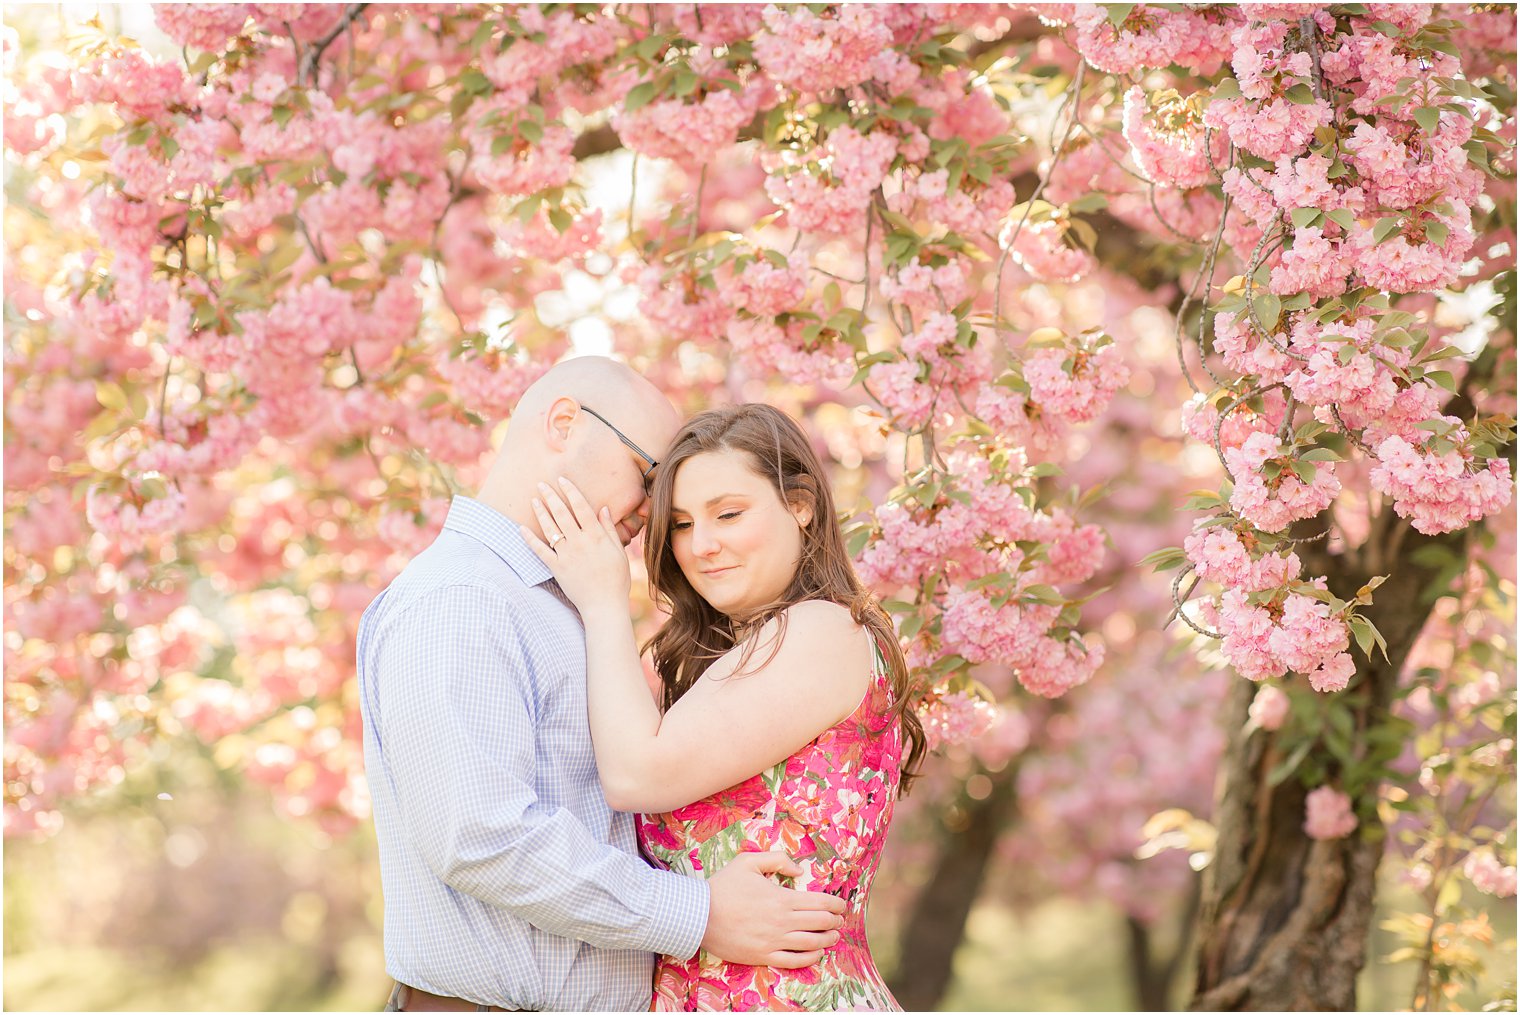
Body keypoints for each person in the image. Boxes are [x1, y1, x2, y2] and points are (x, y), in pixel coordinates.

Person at [357, 359, 847, 1013]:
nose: (652, 513)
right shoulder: (464, 597)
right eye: (649, 476)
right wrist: (697, 913)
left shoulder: (559, 604)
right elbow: (480, 836)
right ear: (565, 423)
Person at [524, 402, 926, 1012]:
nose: (702, 546)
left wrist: (604, 598)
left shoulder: (819, 631)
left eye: (729, 514)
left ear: (801, 504)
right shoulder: (736, 655)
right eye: (682, 524)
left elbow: (637, 774)